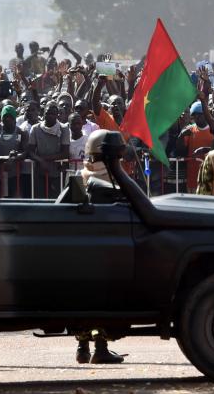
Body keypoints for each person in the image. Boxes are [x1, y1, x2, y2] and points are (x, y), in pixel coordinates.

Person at [73, 129, 125, 364]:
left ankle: (82, 347)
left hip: (79, 247)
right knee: (102, 299)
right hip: (104, 247)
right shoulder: (111, 178)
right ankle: (100, 348)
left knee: (82, 299)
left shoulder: (80, 175)